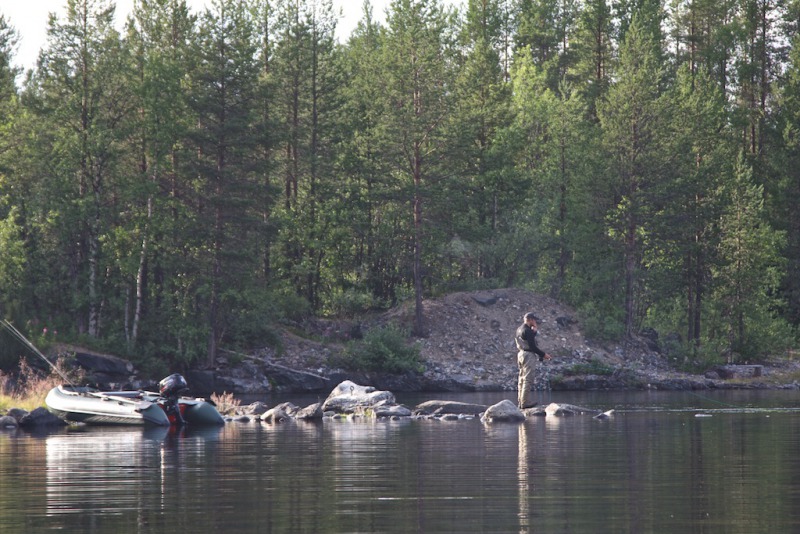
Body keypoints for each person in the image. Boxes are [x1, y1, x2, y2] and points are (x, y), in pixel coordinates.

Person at [515, 312, 552, 409]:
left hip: (520, 354)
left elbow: (527, 340)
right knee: (528, 379)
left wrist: (534, 332)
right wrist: (544, 355)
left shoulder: (519, 329)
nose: (535, 322)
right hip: (528, 355)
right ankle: (525, 402)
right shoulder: (527, 330)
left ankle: (520, 401)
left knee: (521, 378)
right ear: (530, 319)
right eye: (534, 320)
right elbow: (533, 346)